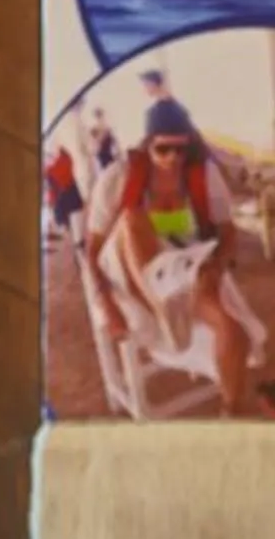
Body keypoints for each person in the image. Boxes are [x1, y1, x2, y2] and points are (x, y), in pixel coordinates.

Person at [86, 99, 258, 417]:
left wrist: (217, 267)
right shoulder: (119, 177)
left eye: (181, 149)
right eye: (164, 149)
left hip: (184, 264)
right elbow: (91, 248)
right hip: (129, 268)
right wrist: (106, 303)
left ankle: (232, 409)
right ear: (147, 144)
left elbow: (227, 231)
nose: (173, 159)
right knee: (131, 218)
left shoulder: (202, 174)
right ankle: (164, 308)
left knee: (230, 327)